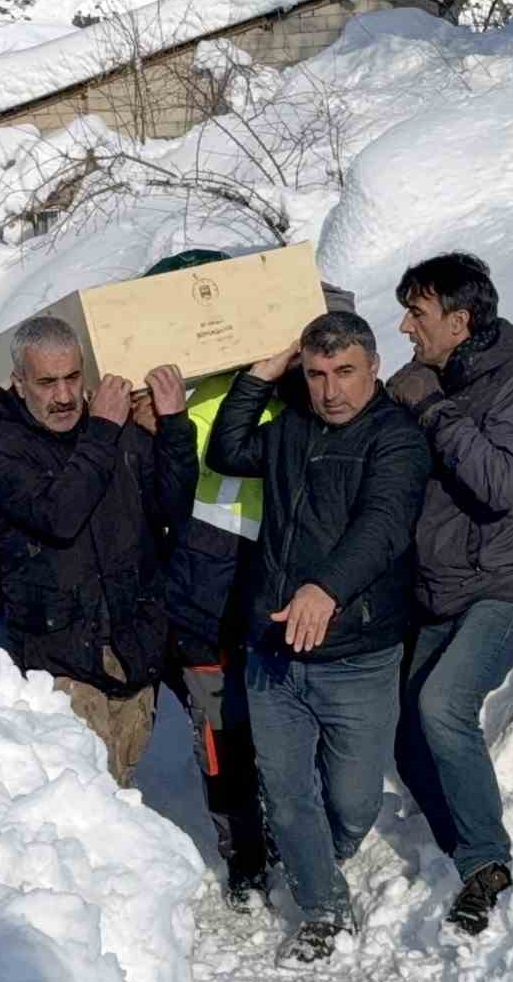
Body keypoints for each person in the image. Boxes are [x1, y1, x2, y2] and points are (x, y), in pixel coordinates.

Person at [142, 249, 365, 913]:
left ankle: (298, 838)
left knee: (285, 731)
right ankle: (244, 855)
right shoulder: (181, 396)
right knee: (222, 735)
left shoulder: (309, 397)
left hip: (276, 594)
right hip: (203, 598)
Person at [208, 310, 430, 964]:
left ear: (374, 367)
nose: (331, 391)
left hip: (355, 656)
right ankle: (323, 908)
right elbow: (226, 452)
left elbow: (383, 525)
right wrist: (259, 375)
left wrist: (325, 589)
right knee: (286, 791)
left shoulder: (397, 439)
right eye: (315, 374)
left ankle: (319, 851)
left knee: (353, 802)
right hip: (273, 650)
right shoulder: (290, 429)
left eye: (345, 372)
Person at [384, 252, 513, 935]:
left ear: (459, 323)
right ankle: (462, 846)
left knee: (443, 702)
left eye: (417, 313)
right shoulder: (439, 381)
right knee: (405, 728)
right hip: (447, 586)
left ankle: (487, 865)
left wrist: (431, 408)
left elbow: (502, 483)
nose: (405, 326)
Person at [0, 316, 197, 787]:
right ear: (19, 383)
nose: (64, 395)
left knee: (122, 788)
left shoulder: (111, 428)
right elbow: (59, 514)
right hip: (62, 662)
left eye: (73, 378)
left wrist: (174, 426)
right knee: (85, 801)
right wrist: (105, 430)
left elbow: (173, 507)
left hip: (132, 650)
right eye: (47, 382)